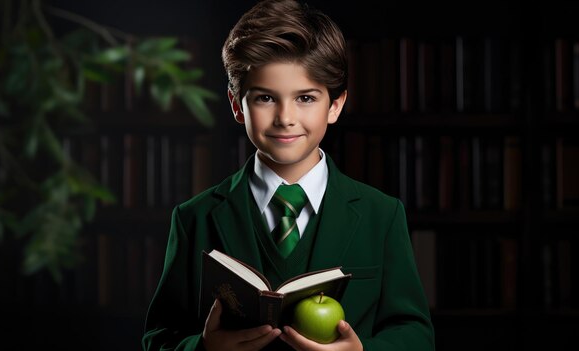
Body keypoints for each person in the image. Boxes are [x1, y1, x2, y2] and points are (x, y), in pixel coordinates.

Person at [142, 0, 435, 350]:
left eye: (306, 98)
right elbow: (158, 339)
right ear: (238, 106)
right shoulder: (194, 217)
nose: (285, 117)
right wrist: (204, 348)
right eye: (266, 98)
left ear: (336, 105)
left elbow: (416, 335)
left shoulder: (382, 214)